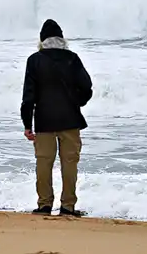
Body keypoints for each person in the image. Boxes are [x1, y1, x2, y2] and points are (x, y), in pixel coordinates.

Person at [20, 19, 93, 217]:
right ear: (62, 39)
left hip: (44, 120)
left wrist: (27, 124)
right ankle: (68, 207)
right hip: (70, 120)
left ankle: (44, 205)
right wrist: (77, 103)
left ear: (42, 40)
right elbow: (87, 87)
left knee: (44, 163)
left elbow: (28, 97)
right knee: (69, 163)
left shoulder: (34, 60)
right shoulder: (73, 58)